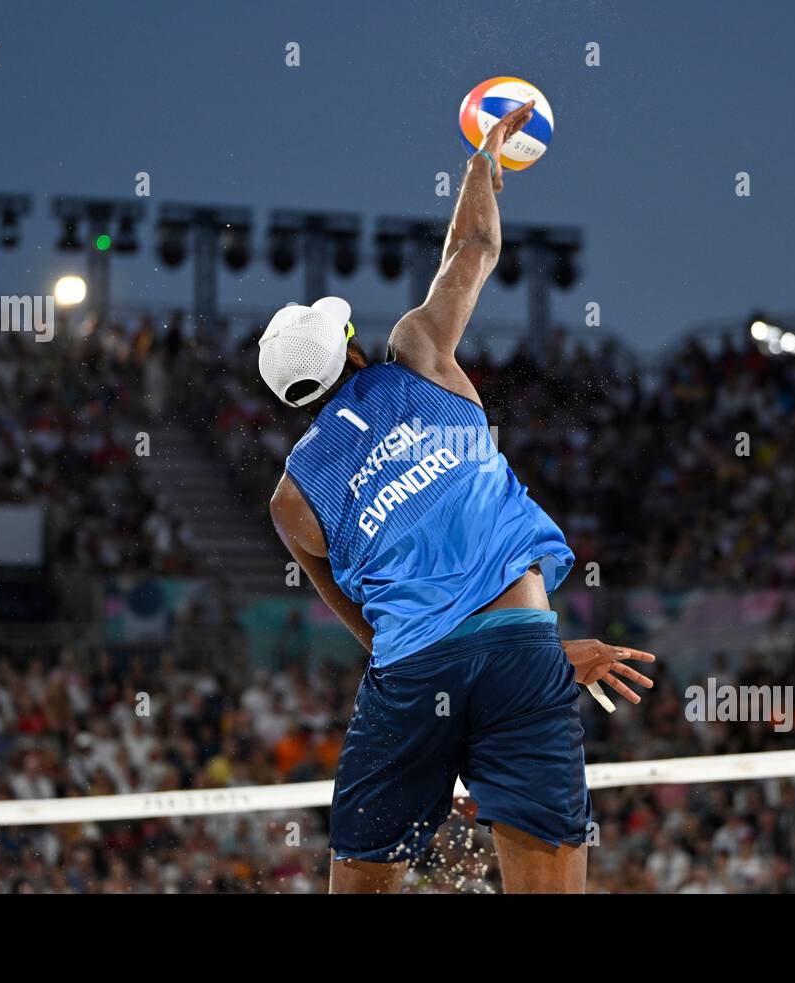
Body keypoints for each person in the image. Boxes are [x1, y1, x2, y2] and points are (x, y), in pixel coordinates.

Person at [263, 101, 654, 893]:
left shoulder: (292, 501)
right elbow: (474, 245)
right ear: (350, 345)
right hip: (518, 643)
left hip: (411, 673)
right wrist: (484, 159)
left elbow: (374, 630)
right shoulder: (416, 355)